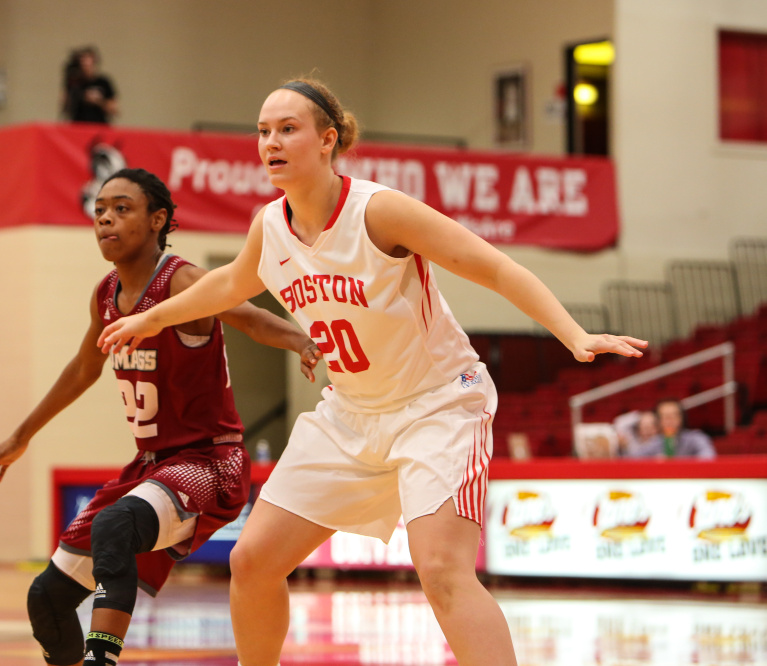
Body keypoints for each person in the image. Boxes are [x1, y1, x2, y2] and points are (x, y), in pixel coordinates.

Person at [98, 78, 648, 666]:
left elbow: (492, 266)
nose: (270, 143)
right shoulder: (271, 226)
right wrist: (150, 318)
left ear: (328, 140)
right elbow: (227, 285)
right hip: (351, 414)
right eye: (263, 131)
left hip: (438, 404)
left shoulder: (378, 212)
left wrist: (573, 333)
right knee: (252, 561)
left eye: (288, 129)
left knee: (442, 570)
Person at [0, 168, 321, 666]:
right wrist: (20, 435)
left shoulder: (182, 280)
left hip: (209, 460)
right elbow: (82, 369)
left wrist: (300, 339)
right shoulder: (104, 294)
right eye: (99, 211)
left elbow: (246, 316)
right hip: (149, 465)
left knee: (114, 526)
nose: (106, 220)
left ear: (158, 220)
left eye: (121, 209)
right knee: (45, 599)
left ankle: (103, 658)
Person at [621, 399, 716, 459]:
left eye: (673, 416)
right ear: (659, 421)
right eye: (666, 417)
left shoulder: (696, 438)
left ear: (681, 418)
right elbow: (633, 460)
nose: (670, 420)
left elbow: (708, 456)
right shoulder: (655, 443)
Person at [62, 46, 119, 124]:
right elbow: (65, 109)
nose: (85, 64)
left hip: (99, 125)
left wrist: (98, 101)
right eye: (82, 61)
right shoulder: (74, 82)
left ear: (94, 62)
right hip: (78, 125)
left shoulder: (103, 82)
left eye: (87, 60)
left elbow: (114, 110)